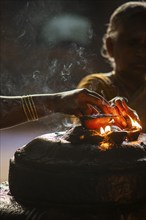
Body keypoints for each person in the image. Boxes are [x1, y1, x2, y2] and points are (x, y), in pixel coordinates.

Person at [77, 1, 146, 132]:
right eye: (132, 43)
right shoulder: (96, 86)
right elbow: (90, 136)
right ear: (111, 46)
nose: (141, 52)